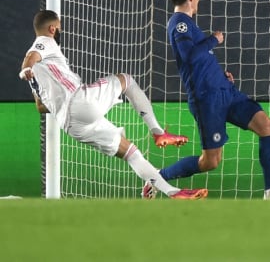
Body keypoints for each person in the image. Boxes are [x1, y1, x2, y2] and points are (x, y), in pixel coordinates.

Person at [19, 10, 206, 200]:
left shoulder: (36, 76)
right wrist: (26, 68)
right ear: (52, 28)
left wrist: (33, 77)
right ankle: (158, 132)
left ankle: (173, 192)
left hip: (70, 125)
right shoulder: (45, 42)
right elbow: (30, 57)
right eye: (58, 28)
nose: (59, 32)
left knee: (131, 153)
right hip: (79, 101)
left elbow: (41, 107)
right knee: (127, 80)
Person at [160, 0, 270, 200]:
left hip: (225, 92)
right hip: (207, 100)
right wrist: (214, 40)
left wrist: (222, 77)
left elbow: (201, 63)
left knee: (267, 126)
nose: (198, 1)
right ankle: (157, 178)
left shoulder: (189, 24)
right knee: (210, 161)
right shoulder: (179, 22)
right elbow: (189, 56)